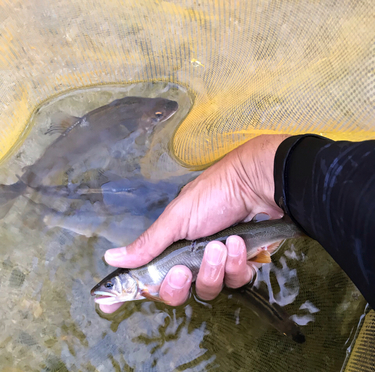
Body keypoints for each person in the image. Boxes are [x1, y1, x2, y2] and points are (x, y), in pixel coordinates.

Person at [99, 134, 375, 314]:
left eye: (111, 286)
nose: (108, 290)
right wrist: (251, 177)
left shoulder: (144, 285)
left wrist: (251, 178)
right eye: (111, 287)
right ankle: (300, 223)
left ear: (124, 281)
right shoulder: (141, 283)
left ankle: (299, 224)